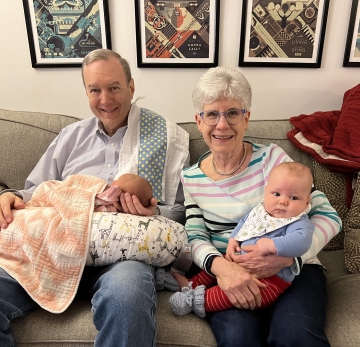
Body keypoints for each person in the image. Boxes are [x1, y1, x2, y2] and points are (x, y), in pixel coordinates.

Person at [0, 49, 189, 347]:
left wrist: (149, 215)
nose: (105, 99)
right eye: (95, 90)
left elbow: (181, 212)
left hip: (121, 257)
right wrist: (9, 196)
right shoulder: (70, 136)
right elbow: (37, 191)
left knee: (127, 299)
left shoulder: (167, 137)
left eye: (114, 87)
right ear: (86, 92)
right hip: (53, 249)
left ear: (131, 87)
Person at [171, 66, 341, 347]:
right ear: (198, 121)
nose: (222, 125)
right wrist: (222, 269)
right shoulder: (191, 177)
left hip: (295, 271)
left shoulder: (272, 159)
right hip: (231, 269)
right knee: (238, 339)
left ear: (247, 118)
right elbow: (196, 235)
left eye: (233, 113)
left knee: (296, 336)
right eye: (212, 114)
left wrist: (289, 258)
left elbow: (328, 216)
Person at [169, 162, 315, 316]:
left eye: (293, 197)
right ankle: (193, 283)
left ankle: (197, 301)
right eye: (276, 194)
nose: (283, 201)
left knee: (232, 295)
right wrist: (233, 239)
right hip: (239, 260)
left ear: (307, 202)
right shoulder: (261, 211)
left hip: (268, 280)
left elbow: (303, 241)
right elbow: (244, 223)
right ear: (266, 192)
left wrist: (272, 245)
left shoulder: (299, 223)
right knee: (220, 263)